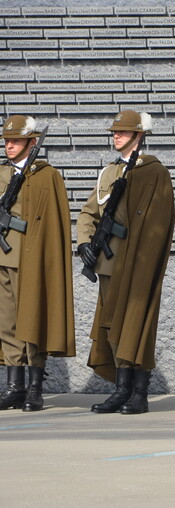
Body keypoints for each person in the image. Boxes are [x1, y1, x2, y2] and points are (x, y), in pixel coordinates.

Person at [76, 110, 174, 415]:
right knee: (111, 325)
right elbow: (88, 213)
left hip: (139, 264)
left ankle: (139, 393)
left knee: (137, 323)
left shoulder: (155, 172)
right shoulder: (109, 173)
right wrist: (83, 243)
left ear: (139, 136)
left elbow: (160, 225)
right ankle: (121, 390)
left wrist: (144, 263)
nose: (116, 136)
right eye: (114, 132)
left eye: (122, 132)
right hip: (108, 262)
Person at [0, 115, 76, 412]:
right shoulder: (1, 174)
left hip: (29, 258)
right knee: (7, 324)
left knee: (32, 323)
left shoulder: (47, 176)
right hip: (3, 258)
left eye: (15, 141)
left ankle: (34, 389)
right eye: (6, 141)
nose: (9, 145)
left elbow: (52, 224)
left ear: (32, 143)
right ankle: (13, 387)